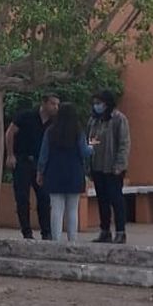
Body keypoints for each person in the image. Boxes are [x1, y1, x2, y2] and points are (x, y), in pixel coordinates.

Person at [5, 93, 60, 239]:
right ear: (44, 103)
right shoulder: (26, 116)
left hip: (41, 164)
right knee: (22, 198)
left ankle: (46, 232)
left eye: (57, 104)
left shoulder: (54, 123)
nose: (55, 107)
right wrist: (10, 155)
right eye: (53, 103)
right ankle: (27, 232)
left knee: (44, 198)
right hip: (23, 160)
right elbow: (10, 132)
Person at [36, 103, 93, 243]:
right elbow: (84, 152)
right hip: (74, 174)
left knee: (56, 209)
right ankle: (72, 239)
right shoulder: (78, 132)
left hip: (54, 174)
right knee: (73, 209)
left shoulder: (50, 131)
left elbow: (44, 155)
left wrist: (40, 172)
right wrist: (91, 147)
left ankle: (56, 239)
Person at [87, 89, 131, 243]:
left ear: (107, 103)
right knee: (102, 200)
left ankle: (120, 231)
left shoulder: (119, 119)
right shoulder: (94, 120)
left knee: (116, 200)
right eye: (95, 103)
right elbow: (92, 141)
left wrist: (120, 164)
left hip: (113, 167)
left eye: (100, 103)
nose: (97, 106)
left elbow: (124, 143)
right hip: (97, 166)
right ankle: (104, 231)